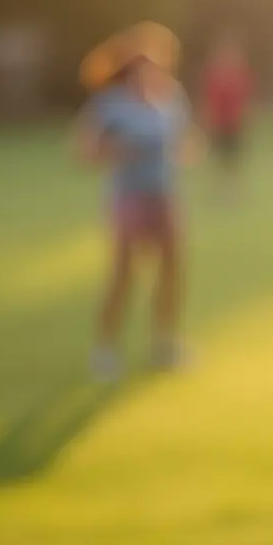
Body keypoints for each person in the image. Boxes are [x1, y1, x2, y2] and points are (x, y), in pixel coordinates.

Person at [76, 22, 195, 379]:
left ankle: (164, 342)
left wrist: (186, 153)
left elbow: (183, 142)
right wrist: (119, 150)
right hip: (128, 195)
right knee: (124, 274)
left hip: (164, 194)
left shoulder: (171, 98)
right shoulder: (112, 104)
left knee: (172, 269)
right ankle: (105, 348)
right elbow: (85, 150)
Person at [201, 31, 255, 202]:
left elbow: (246, 99)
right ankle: (222, 191)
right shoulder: (215, 76)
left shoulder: (240, 75)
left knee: (234, 160)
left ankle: (233, 191)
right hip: (220, 124)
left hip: (235, 124)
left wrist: (245, 118)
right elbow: (210, 100)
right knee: (221, 159)